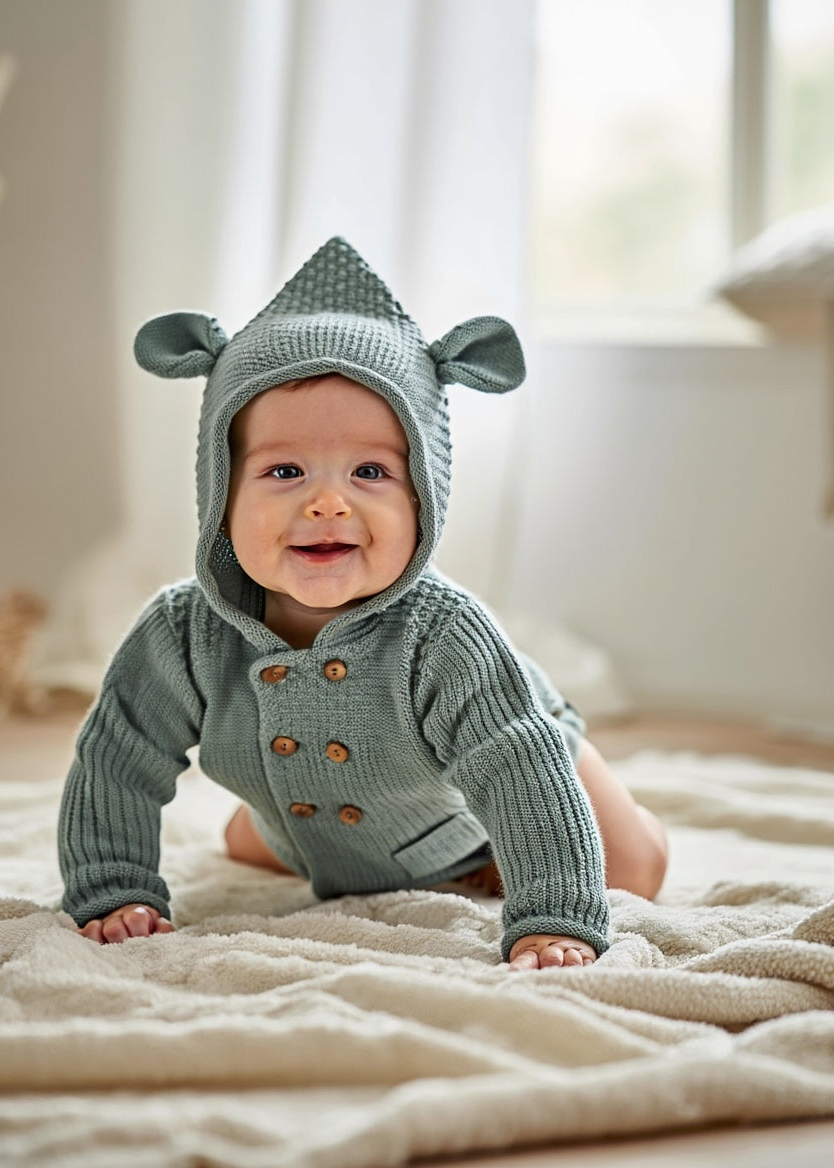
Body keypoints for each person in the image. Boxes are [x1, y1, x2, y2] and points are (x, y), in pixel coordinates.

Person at [59, 237, 667, 970]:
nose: (326, 502)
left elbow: (518, 768)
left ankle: (538, 847)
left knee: (631, 870)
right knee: (244, 845)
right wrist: (115, 887)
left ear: (423, 499)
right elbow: (118, 758)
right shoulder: (180, 632)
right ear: (220, 495)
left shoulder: (445, 635)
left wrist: (553, 915)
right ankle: (332, 844)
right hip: (325, 821)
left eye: (371, 471)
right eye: (285, 470)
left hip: (478, 796)